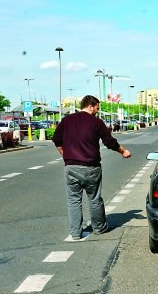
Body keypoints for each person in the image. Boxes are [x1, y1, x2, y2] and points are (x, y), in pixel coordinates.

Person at [52, 95, 131, 240]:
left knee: (73, 200)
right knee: (94, 199)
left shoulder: (66, 120)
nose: (97, 111)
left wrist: (65, 155)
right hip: (91, 167)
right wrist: (123, 151)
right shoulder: (97, 122)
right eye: (97, 108)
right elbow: (109, 142)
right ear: (90, 106)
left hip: (71, 167)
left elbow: (56, 140)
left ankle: (76, 233)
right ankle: (99, 228)